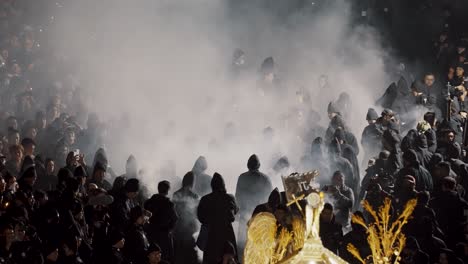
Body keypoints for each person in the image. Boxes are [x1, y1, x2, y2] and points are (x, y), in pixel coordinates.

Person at [197, 173, 238, 264]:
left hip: (211, 235)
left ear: (212, 185)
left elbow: (200, 217)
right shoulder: (230, 198)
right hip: (227, 234)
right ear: (223, 185)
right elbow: (235, 212)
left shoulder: (205, 199)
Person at [234, 154, 272, 253]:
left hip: (244, 213)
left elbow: (237, 196)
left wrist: (237, 212)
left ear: (248, 165)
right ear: (259, 165)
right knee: (259, 242)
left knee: (243, 243)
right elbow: (270, 197)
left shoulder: (242, 177)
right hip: (260, 215)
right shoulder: (265, 178)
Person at [144, 181, 178, 263]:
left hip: (150, 233)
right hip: (164, 235)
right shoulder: (169, 204)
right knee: (163, 257)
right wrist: (169, 229)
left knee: (151, 258)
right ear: (168, 190)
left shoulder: (148, 202)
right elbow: (175, 218)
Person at [172, 172, 199, 264]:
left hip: (177, 228)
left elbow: (173, 211)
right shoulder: (194, 196)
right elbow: (197, 213)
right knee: (189, 255)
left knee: (178, 255)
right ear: (192, 182)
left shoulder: (176, 194)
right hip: (189, 229)